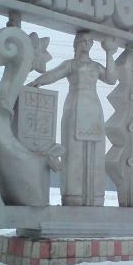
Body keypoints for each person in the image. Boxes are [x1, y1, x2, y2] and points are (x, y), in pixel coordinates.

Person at [28, 31, 117, 206]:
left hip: (93, 109)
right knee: (73, 151)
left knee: (95, 152)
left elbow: (111, 79)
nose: (86, 44)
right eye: (82, 41)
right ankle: (73, 196)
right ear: (76, 44)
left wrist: (109, 53)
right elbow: (53, 74)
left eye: (89, 42)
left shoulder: (95, 67)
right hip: (74, 107)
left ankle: (95, 196)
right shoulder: (71, 65)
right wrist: (37, 81)